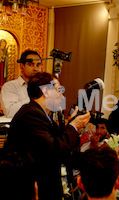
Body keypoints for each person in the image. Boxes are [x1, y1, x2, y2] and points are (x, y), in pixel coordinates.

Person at [4, 72, 91, 200]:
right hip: (29, 189)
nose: (62, 96)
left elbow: (62, 146)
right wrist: (73, 126)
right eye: (58, 91)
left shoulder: (43, 115)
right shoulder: (31, 114)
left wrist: (73, 126)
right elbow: (55, 150)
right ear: (46, 91)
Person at [0, 50, 42, 118]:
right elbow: (10, 112)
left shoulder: (45, 86)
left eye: (38, 65)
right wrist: (36, 99)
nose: (35, 68)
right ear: (22, 66)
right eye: (31, 65)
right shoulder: (10, 86)